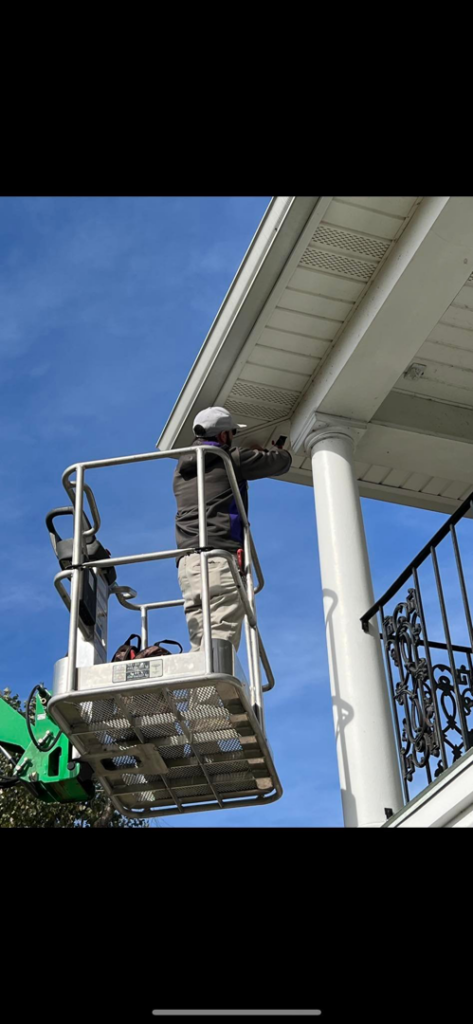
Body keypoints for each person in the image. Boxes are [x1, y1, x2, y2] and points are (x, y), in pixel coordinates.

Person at [173, 405, 292, 652]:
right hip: (219, 558)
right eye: (232, 434)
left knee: (200, 639)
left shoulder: (181, 471)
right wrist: (271, 450)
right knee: (220, 636)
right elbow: (280, 463)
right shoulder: (229, 458)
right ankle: (215, 678)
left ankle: (202, 677)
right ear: (223, 435)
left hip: (187, 564)